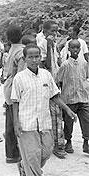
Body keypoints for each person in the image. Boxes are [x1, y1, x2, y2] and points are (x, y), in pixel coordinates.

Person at [11, 44, 77, 176]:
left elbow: (54, 96)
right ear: (24, 59)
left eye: (37, 56)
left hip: (44, 122)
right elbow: (15, 102)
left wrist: (68, 110)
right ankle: (31, 170)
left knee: (47, 151)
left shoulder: (46, 75)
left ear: (40, 57)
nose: (34, 60)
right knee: (32, 155)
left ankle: (25, 166)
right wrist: (16, 123)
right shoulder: (19, 78)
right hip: (27, 124)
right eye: (31, 57)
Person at [37, 20, 67, 159]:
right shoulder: (42, 42)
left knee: (55, 113)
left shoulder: (52, 43)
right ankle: (55, 144)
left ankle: (56, 143)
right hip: (46, 82)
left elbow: (56, 63)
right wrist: (49, 46)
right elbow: (47, 64)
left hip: (54, 80)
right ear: (44, 31)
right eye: (52, 31)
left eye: (56, 31)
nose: (54, 34)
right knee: (53, 113)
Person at [56, 39, 89, 154]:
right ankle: (68, 141)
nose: (75, 50)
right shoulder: (65, 65)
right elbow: (58, 80)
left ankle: (86, 142)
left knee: (86, 121)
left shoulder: (84, 63)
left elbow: (86, 77)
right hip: (69, 99)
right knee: (69, 122)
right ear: (68, 49)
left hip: (83, 98)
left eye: (77, 48)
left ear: (80, 49)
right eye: (73, 47)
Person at [3, 25, 25, 164]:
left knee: (10, 121)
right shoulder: (21, 52)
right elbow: (21, 75)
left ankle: (11, 154)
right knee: (16, 121)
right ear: (21, 35)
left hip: (8, 87)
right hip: (16, 88)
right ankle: (16, 152)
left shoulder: (11, 50)